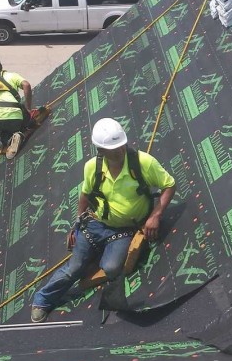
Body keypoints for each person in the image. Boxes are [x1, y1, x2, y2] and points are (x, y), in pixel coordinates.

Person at [31, 118, 176, 323]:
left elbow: (169, 185)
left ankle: (110, 293)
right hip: (95, 224)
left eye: (121, 146)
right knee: (74, 268)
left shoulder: (143, 162)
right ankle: (42, 301)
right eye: (113, 149)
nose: (119, 151)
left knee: (111, 268)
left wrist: (155, 216)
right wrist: (78, 222)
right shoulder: (92, 167)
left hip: (123, 231)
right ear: (100, 150)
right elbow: (86, 194)